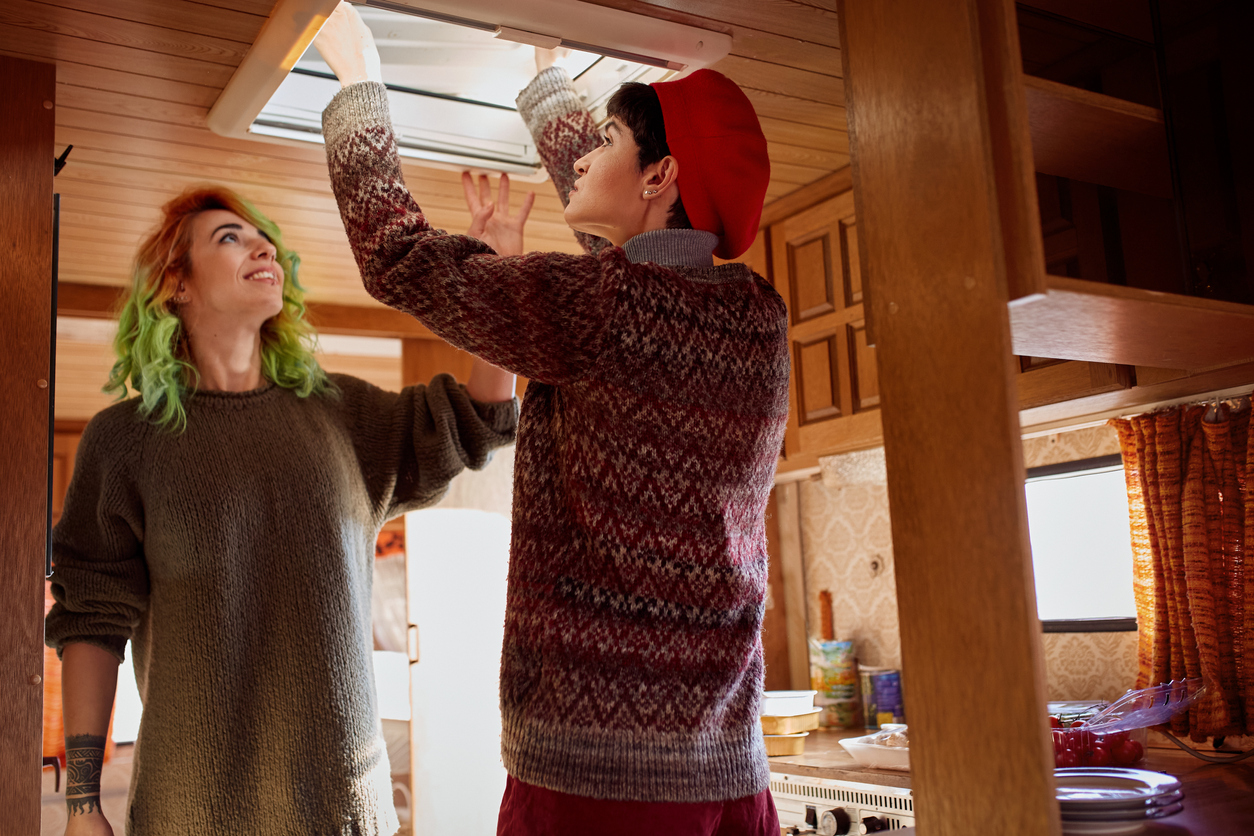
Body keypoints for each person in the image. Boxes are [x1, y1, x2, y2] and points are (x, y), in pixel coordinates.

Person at [314, 4, 788, 834]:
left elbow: (398, 256)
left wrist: (358, 78)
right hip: (729, 776)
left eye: (606, 140)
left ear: (659, 175)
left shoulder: (603, 305)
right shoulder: (757, 316)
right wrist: (546, 75)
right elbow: (642, 243)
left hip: (596, 784)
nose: (586, 157)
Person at [46, 184, 520, 836]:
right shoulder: (126, 441)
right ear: (176, 285)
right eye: (228, 238)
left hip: (342, 809)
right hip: (192, 812)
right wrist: (80, 803)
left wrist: (495, 289)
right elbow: (90, 624)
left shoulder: (341, 415)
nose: (262, 244)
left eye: (262, 236)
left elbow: (478, 419)